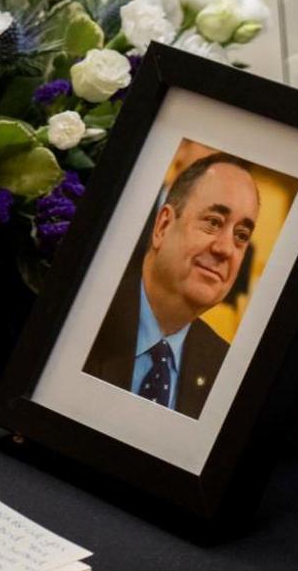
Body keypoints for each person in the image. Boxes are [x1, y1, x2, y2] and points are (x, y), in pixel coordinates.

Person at [83, 153, 261, 419]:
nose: (225, 248)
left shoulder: (229, 371)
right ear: (163, 225)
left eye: (241, 236)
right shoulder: (84, 314)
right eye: (213, 222)